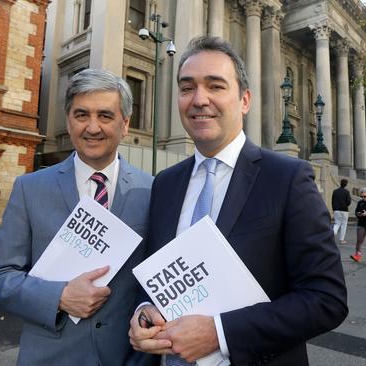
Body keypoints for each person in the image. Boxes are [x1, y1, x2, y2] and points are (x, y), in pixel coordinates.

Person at [128, 36, 347, 366]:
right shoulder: (166, 184)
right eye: (187, 88)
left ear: (244, 100)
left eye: (215, 86)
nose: (199, 99)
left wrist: (219, 333)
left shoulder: (288, 178)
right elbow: (158, 275)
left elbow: (326, 300)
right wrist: (144, 310)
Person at [0, 69, 155, 365]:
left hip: (127, 358)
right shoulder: (30, 188)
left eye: (105, 116)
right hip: (50, 356)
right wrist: (59, 297)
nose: (92, 127)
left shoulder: (152, 191)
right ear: (68, 120)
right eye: (81, 114)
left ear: (125, 124)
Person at [332, 179, 352, 244]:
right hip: (344, 210)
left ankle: (333, 233)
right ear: (346, 184)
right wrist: (346, 205)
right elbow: (349, 201)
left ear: (340, 183)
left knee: (337, 223)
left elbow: (332, 201)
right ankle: (342, 240)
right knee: (344, 225)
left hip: (336, 209)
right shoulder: (346, 192)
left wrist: (334, 209)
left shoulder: (335, 191)